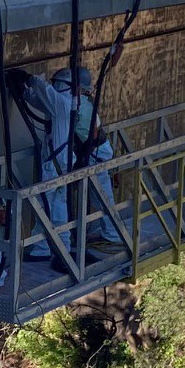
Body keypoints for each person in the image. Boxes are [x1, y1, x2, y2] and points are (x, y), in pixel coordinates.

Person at [7, 67, 73, 262]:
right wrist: (24, 91)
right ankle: (62, 246)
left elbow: (45, 92)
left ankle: (42, 248)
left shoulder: (61, 104)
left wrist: (29, 77)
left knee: (45, 206)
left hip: (55, 166)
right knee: (57, 206)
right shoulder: (61, 106)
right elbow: (39, 100)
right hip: (60, 164)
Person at [54, 66, 118, 246]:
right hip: (96, 151)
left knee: (102, 196)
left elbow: (92, 133)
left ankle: (113, 234)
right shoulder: (86, 102)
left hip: (95, 153)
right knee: (100, 195)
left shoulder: (79, 106)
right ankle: (110, 233)